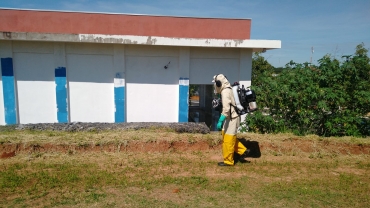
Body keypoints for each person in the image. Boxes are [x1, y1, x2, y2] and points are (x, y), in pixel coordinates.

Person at [212, 74, 249, 166]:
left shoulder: (225, 92)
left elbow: (226, 109)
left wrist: (220, 120)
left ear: (219, 83)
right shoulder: (228, 89)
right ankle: (243, 151)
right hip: (230, 117)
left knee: (228, 139)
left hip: (233, 118)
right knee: (225, 136)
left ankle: (228, 161)